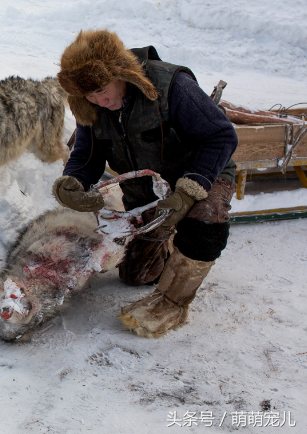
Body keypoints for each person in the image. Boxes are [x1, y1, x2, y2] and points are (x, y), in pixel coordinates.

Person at [52, 29, 238, 338]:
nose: (99, 100)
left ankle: (172, 304)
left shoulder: (172, 86)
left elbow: (221, 136)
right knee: (135, 276)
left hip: (201, 174)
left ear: (119, 71)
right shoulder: (91, 105)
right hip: (150, 193)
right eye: (89, 95)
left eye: (101, 89)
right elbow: (87, 154)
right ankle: (169, 243)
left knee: (203, 222)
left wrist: (191, 189)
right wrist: (72, 182)